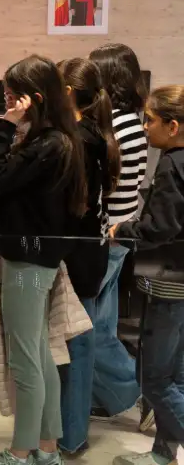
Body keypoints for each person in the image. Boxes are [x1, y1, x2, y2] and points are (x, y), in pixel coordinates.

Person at [0, 54, 88, 465]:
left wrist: (4, 128)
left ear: (33, 98)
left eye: (9, 97)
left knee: (26, 359)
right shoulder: (58, 138)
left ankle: (20, 452)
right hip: (35, 260)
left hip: (27, 264)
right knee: (40, 353)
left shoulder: (47, 144)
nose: (6, 105)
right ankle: (46, 447)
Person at [111, 85, 184, 465]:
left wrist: (121, 230)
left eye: (150, 121)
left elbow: (161, 228)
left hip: (169, 284)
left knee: (154, 378)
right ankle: (162, 454)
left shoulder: (172, 165)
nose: (145, 128)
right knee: (177, 377)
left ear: (172, 126)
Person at [56, 58, 121, 457]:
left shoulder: (76, 139)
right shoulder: (97, 134)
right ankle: (71, 430)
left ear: (66, 93)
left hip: (75, 254)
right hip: (91, 251)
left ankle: (71, 434)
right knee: (82, 342)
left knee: (76, 347)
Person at [88, 43, 154, 430]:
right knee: (103, 323)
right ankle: (117, 395)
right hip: (121, 231)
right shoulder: (134, 119)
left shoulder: (113, 123)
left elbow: (102, 186)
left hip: (105, 235)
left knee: (90, 328)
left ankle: (140, 388)